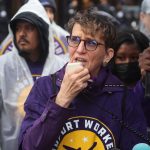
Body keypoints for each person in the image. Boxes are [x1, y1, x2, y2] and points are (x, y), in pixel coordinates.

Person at [19, 9, 148, 150]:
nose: (80, 49)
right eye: (75, 40)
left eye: (91, 43)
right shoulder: (44, 87)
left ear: (107, 55)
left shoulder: (122, 96)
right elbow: (28, 147)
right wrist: (61, 100)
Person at [0, 0, 68, 150]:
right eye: (17, 29)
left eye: (28, 28)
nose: (21, 34)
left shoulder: (61, 66)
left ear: (42, 31)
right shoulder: (3, 66)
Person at [0, 0, 69, 59]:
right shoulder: (9, 45)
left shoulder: (64, 37)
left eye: (51, 11)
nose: (48, 16)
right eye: (44, 10)